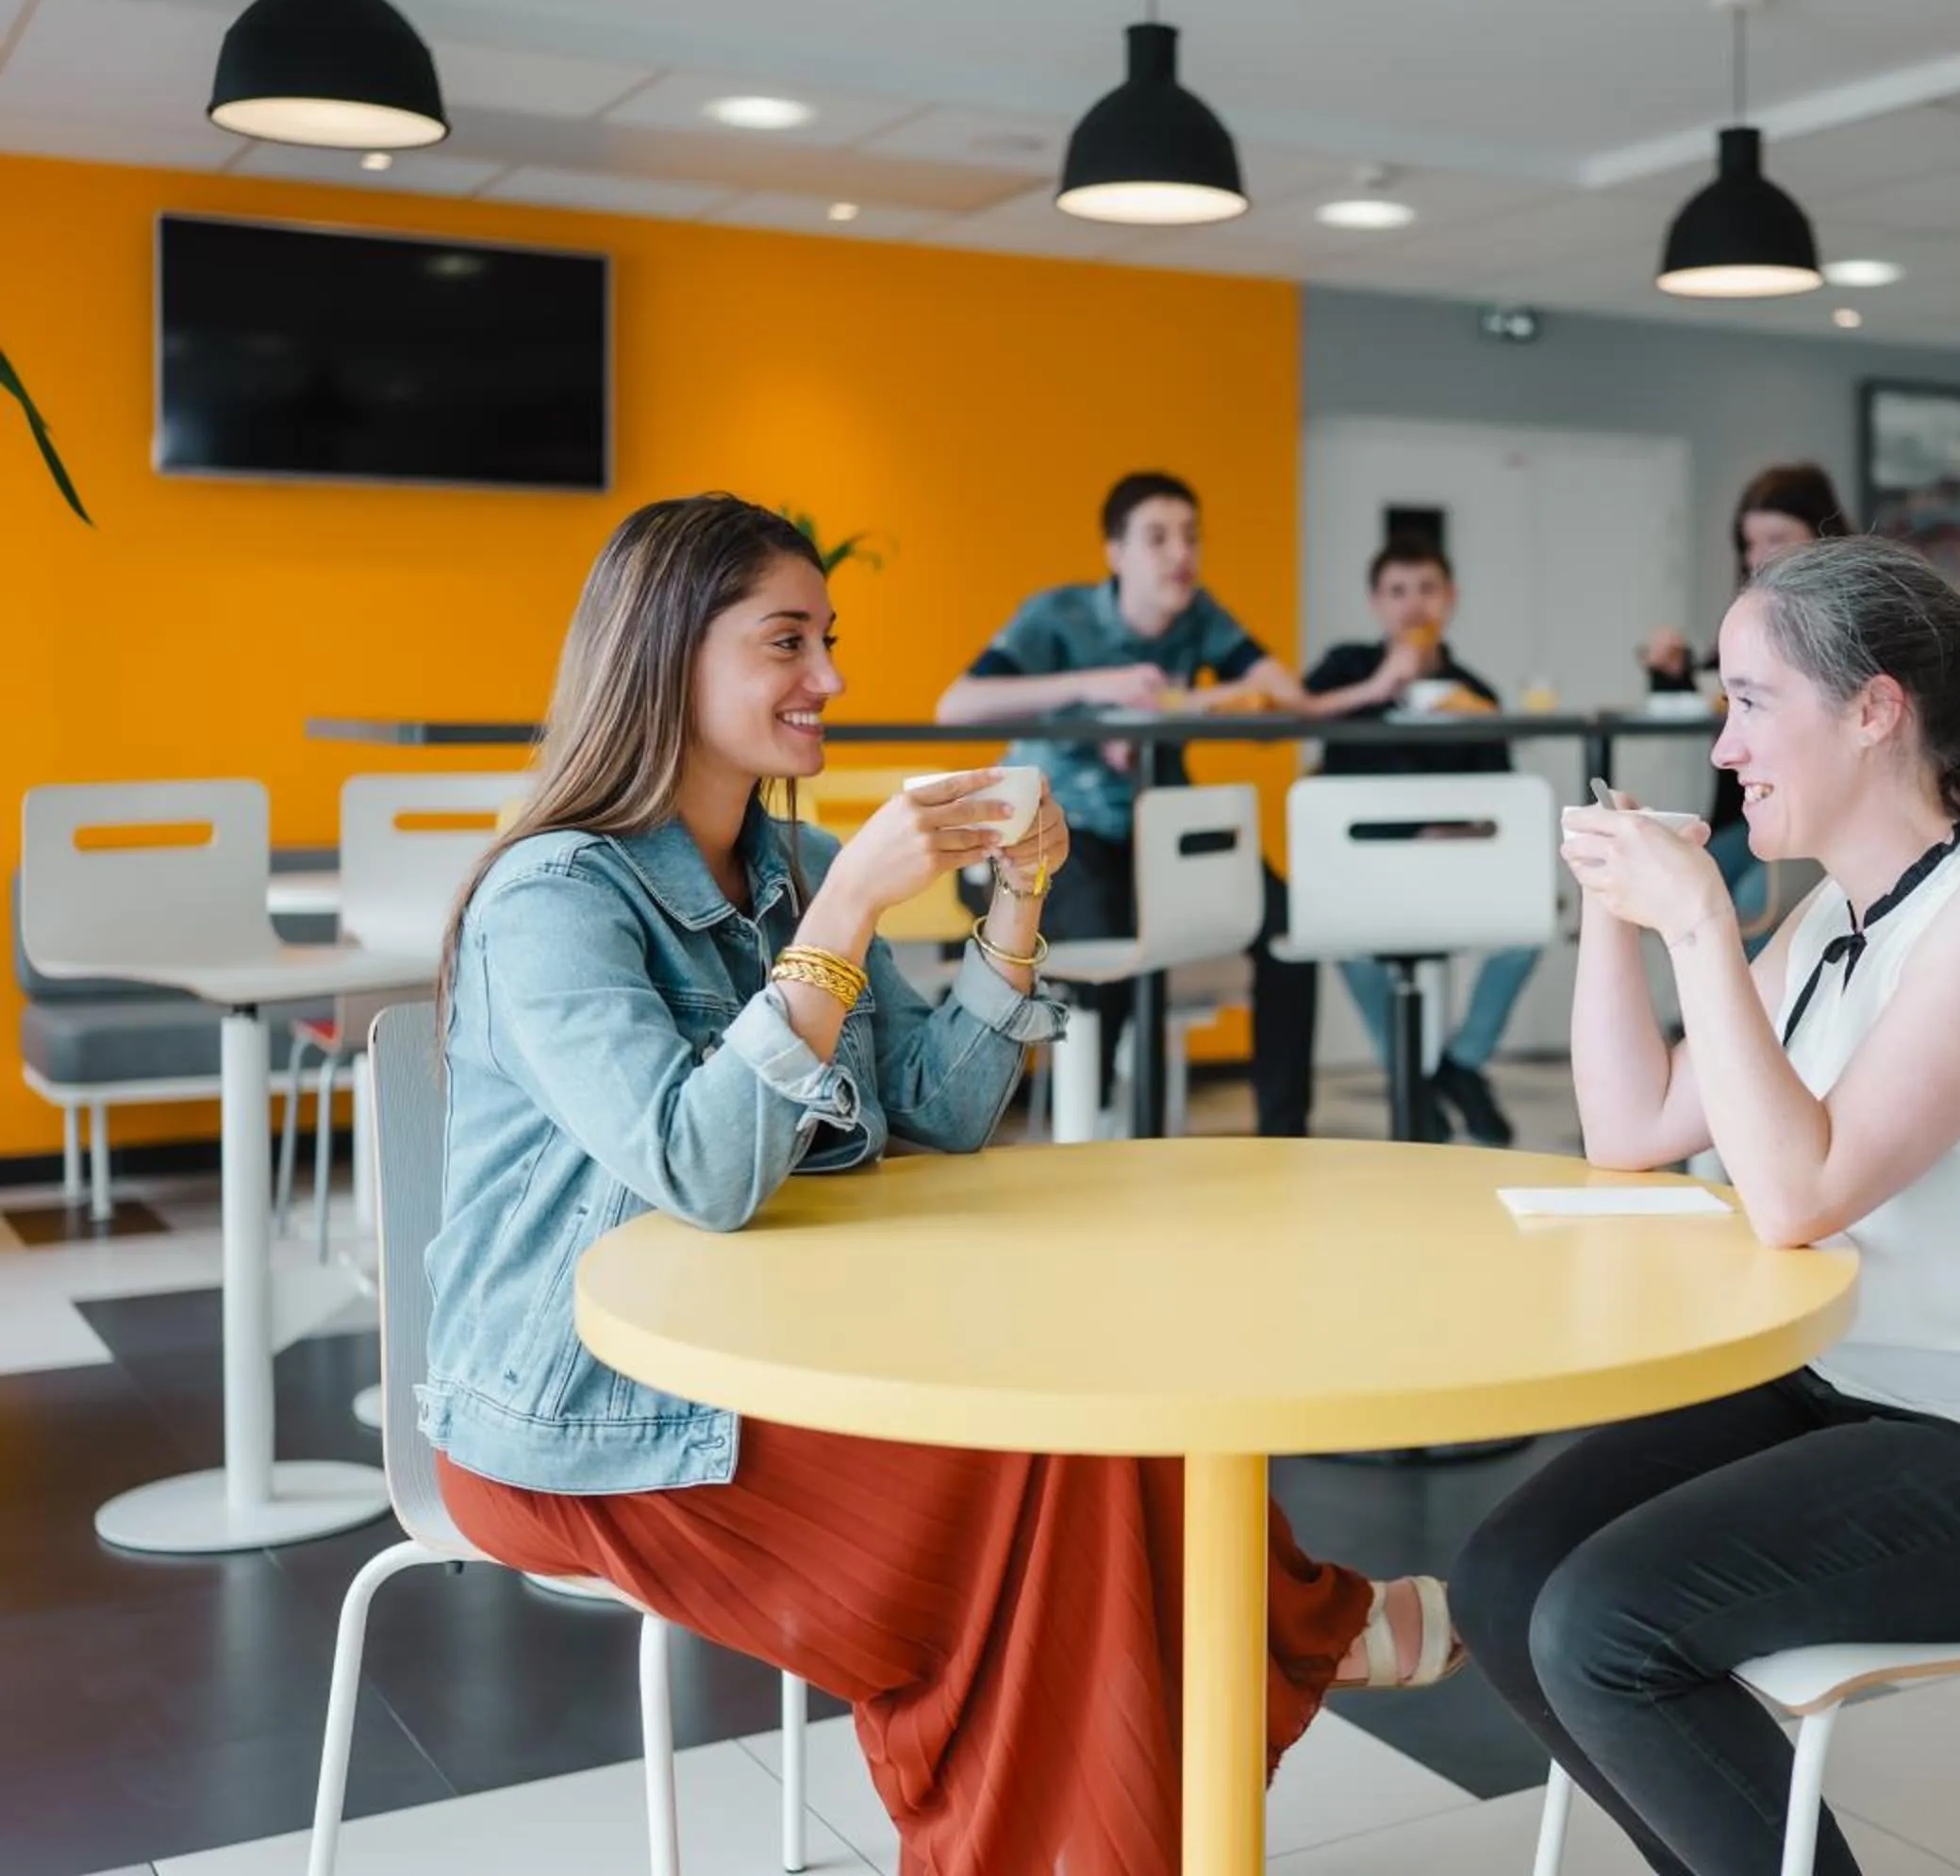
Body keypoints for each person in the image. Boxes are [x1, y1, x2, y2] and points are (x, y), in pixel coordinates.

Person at [424, 494, 1461, 1876]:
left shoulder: (787, 866)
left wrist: (1016, 906)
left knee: (1097, 1424)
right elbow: (701, 1170)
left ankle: (1207, 1714)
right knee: (1048, 1518)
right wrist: (850, 910)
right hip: (579, 1417)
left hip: (770, 1359)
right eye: (787, 641)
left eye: (830, 639)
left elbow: (939, 1110)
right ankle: (1292, 1632)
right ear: (665, 657)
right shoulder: (555, 898)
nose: (834, 679)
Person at [1453, 535, 1960, 1876]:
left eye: (1749, 701)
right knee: (1507, 1584)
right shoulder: (1828, 923)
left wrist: (1698, 932)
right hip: (1862, 1392)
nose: (1724, 747)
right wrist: (1619, 919)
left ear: (1872, 711)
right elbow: (1630, 1132)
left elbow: (1793, 1195)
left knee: (1603, 1626)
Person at [935, 472, 1321, 1136]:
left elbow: (1285, 693)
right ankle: (1102, 1124)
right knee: (1108, 946)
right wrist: (1098, 687)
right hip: (1066, 829)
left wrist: (1182, 703)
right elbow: (956, 706)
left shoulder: (1202, 616)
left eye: (1192, 537)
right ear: (1116, 553)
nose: (1182, 554)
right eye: (1159, 537)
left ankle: (1285, 1134)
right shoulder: (1056, 615)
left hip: (1162, 827)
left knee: (1288, 932)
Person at [1302, 534, 1541, 1146]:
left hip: (1449, 874)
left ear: (1450, 598)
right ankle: (1418, 1079)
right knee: (1339, 933)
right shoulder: (1345, 670)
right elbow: (1295, 715)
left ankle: (1456, 1067)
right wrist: (1380, 687)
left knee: (1529, 927)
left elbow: (1500, 808)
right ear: (1375, 602)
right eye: (1397, 591)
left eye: (1427, 589)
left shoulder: (1474, 694)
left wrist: (1456, 829)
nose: (1413, 605)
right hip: (1361, 877)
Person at [1640, 461, 1851, 950]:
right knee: (1690, 876)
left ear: (1824, 534)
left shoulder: (1844, 625)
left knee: (1753, 899)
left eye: (1775, 539)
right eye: (1749, 544)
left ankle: (1756, 1016)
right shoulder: (1753, 619)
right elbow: (1713, 697)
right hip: (1746, 810)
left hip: (1819, 807)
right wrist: (1672, 676)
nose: (1758, 558)